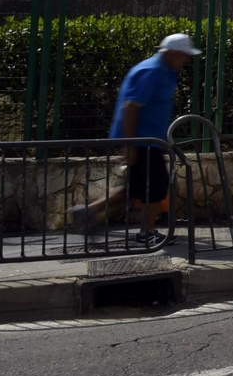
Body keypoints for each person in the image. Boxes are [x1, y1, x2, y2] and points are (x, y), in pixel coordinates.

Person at [70, 33, 199, 244]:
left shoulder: (162, 70)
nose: (186, 59)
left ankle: (87, 211)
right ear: (172, 53)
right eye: (184, 55)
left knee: (133, 187)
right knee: (157, 186)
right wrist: (130, 145)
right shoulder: (152, 71)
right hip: (142, 141)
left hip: (147, 140)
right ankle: (146, 234)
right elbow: (130, 107)